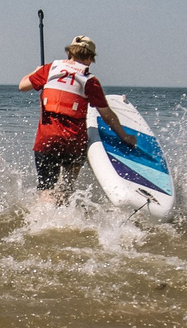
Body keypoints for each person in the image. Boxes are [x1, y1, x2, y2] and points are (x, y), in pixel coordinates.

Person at [17, 36, 133, 203]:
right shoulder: (90, 81)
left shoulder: (49, 69)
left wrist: (36, 71)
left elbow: (22, 86)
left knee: (46, 189)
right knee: (67, 186)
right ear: (89, 58)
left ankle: (45, 221)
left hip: (46, 140)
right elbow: (106, 114)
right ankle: (65, 211)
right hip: (73, 142)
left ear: (69, 52)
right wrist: (125, 136)